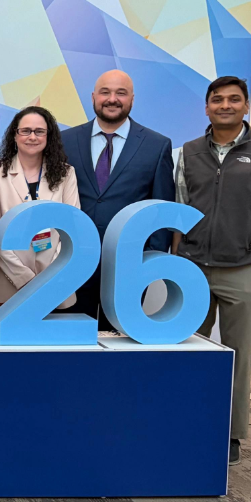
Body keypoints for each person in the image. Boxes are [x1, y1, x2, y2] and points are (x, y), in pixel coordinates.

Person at [173, 76, 251, 466]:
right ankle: (187, 421)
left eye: (233, 99)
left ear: (246, 106)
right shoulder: (188, 153)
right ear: (206, 107)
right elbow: (180, 212)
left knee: (238, 355)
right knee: (188, 352)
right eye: (217, 100)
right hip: (193, 268)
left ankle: (230, 433)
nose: (225, 105)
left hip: (243, 269)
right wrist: (177, 261)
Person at [61, 70, 175, 330]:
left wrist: (149, 260)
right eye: (105, 92)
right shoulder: (65, 140)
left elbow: (161, 207)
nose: (112, 99)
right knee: (73, 339)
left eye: (120, 93)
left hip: (129, 263)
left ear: (132, 99)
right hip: (73, 261)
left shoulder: (156, 145)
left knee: (120, 340)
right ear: (93, 97)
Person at [0, 106, 81, 323]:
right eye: (25, 131)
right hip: (6, 282)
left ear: (49, 136)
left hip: (55, 285)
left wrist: (50, 278)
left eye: (39, 131)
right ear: (15, 135)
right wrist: (24, 279)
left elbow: (73, 229)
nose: (32, 137)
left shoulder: (66, 174)